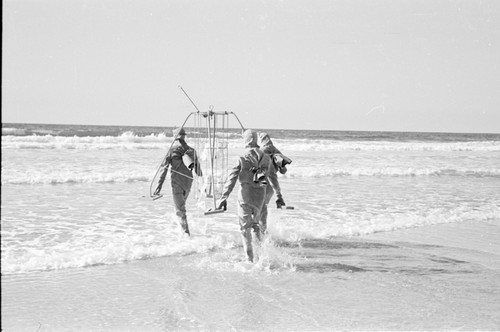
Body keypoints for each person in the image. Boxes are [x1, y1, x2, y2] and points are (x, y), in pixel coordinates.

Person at [216, 129, 278, 262]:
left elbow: (231, 179)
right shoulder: (266, 158)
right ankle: (261, 256)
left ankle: (249, 258)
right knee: (256, 226)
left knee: (245, 229)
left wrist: (223, 197)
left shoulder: (242, 158)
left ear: (245, 141)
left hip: (245, 196)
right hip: (260, 197)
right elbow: (273, 178)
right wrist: (279, 195)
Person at [154, 127, 202, 236]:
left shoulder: (171, 151)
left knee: (180, 210)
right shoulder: (192, 151)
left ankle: (186, 235)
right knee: (181, 208)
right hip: (188, 183)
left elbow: (164, 170)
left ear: (174, 138)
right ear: (184, 136)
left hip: (177, 184)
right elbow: (199, 172)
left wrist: (158, 187)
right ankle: (182, 230)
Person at [257, 132, 292, 233]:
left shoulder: (261, 151)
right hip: (272, 188)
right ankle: (263, 232)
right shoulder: (276, 151)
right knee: (263, 209)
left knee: (259, 210)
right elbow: (283, 170)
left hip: (263, 185)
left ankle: (261, 234)